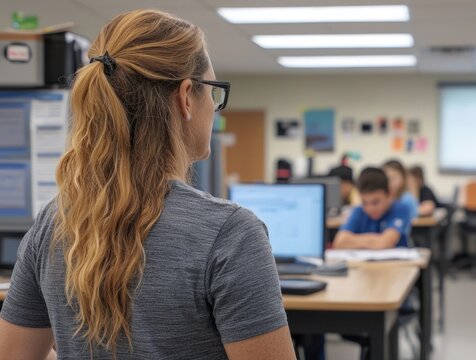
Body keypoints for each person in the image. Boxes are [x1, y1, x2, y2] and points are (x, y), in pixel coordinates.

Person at [0, 10, 295, 360]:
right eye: (214, 93)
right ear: (186, 97)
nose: (214, 109)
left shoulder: (56, 221)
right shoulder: (230, 233)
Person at [334, 167, 412, 249]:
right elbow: (339, 242)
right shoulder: (359, 211)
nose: (370, 208)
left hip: (396, 261)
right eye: (364, 203)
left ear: (389, 194)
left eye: (375, 202)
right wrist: (377, 239)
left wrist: (353, 240)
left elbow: (385, 243)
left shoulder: (399, 209)